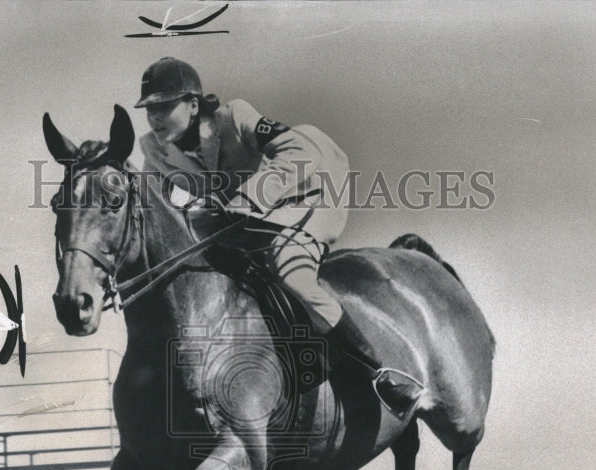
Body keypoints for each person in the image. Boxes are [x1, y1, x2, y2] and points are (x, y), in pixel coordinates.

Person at [134, 57, 422, 418]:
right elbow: (149, 205)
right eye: (149, 109)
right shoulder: (152, 150)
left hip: (312, 188)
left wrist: (249, 198)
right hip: (246, 212)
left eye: (164, 106)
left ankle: (381, 375)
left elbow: (303, 152)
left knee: (293, 275)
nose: (154, 118)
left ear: (193, 105)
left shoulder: (234, 116)